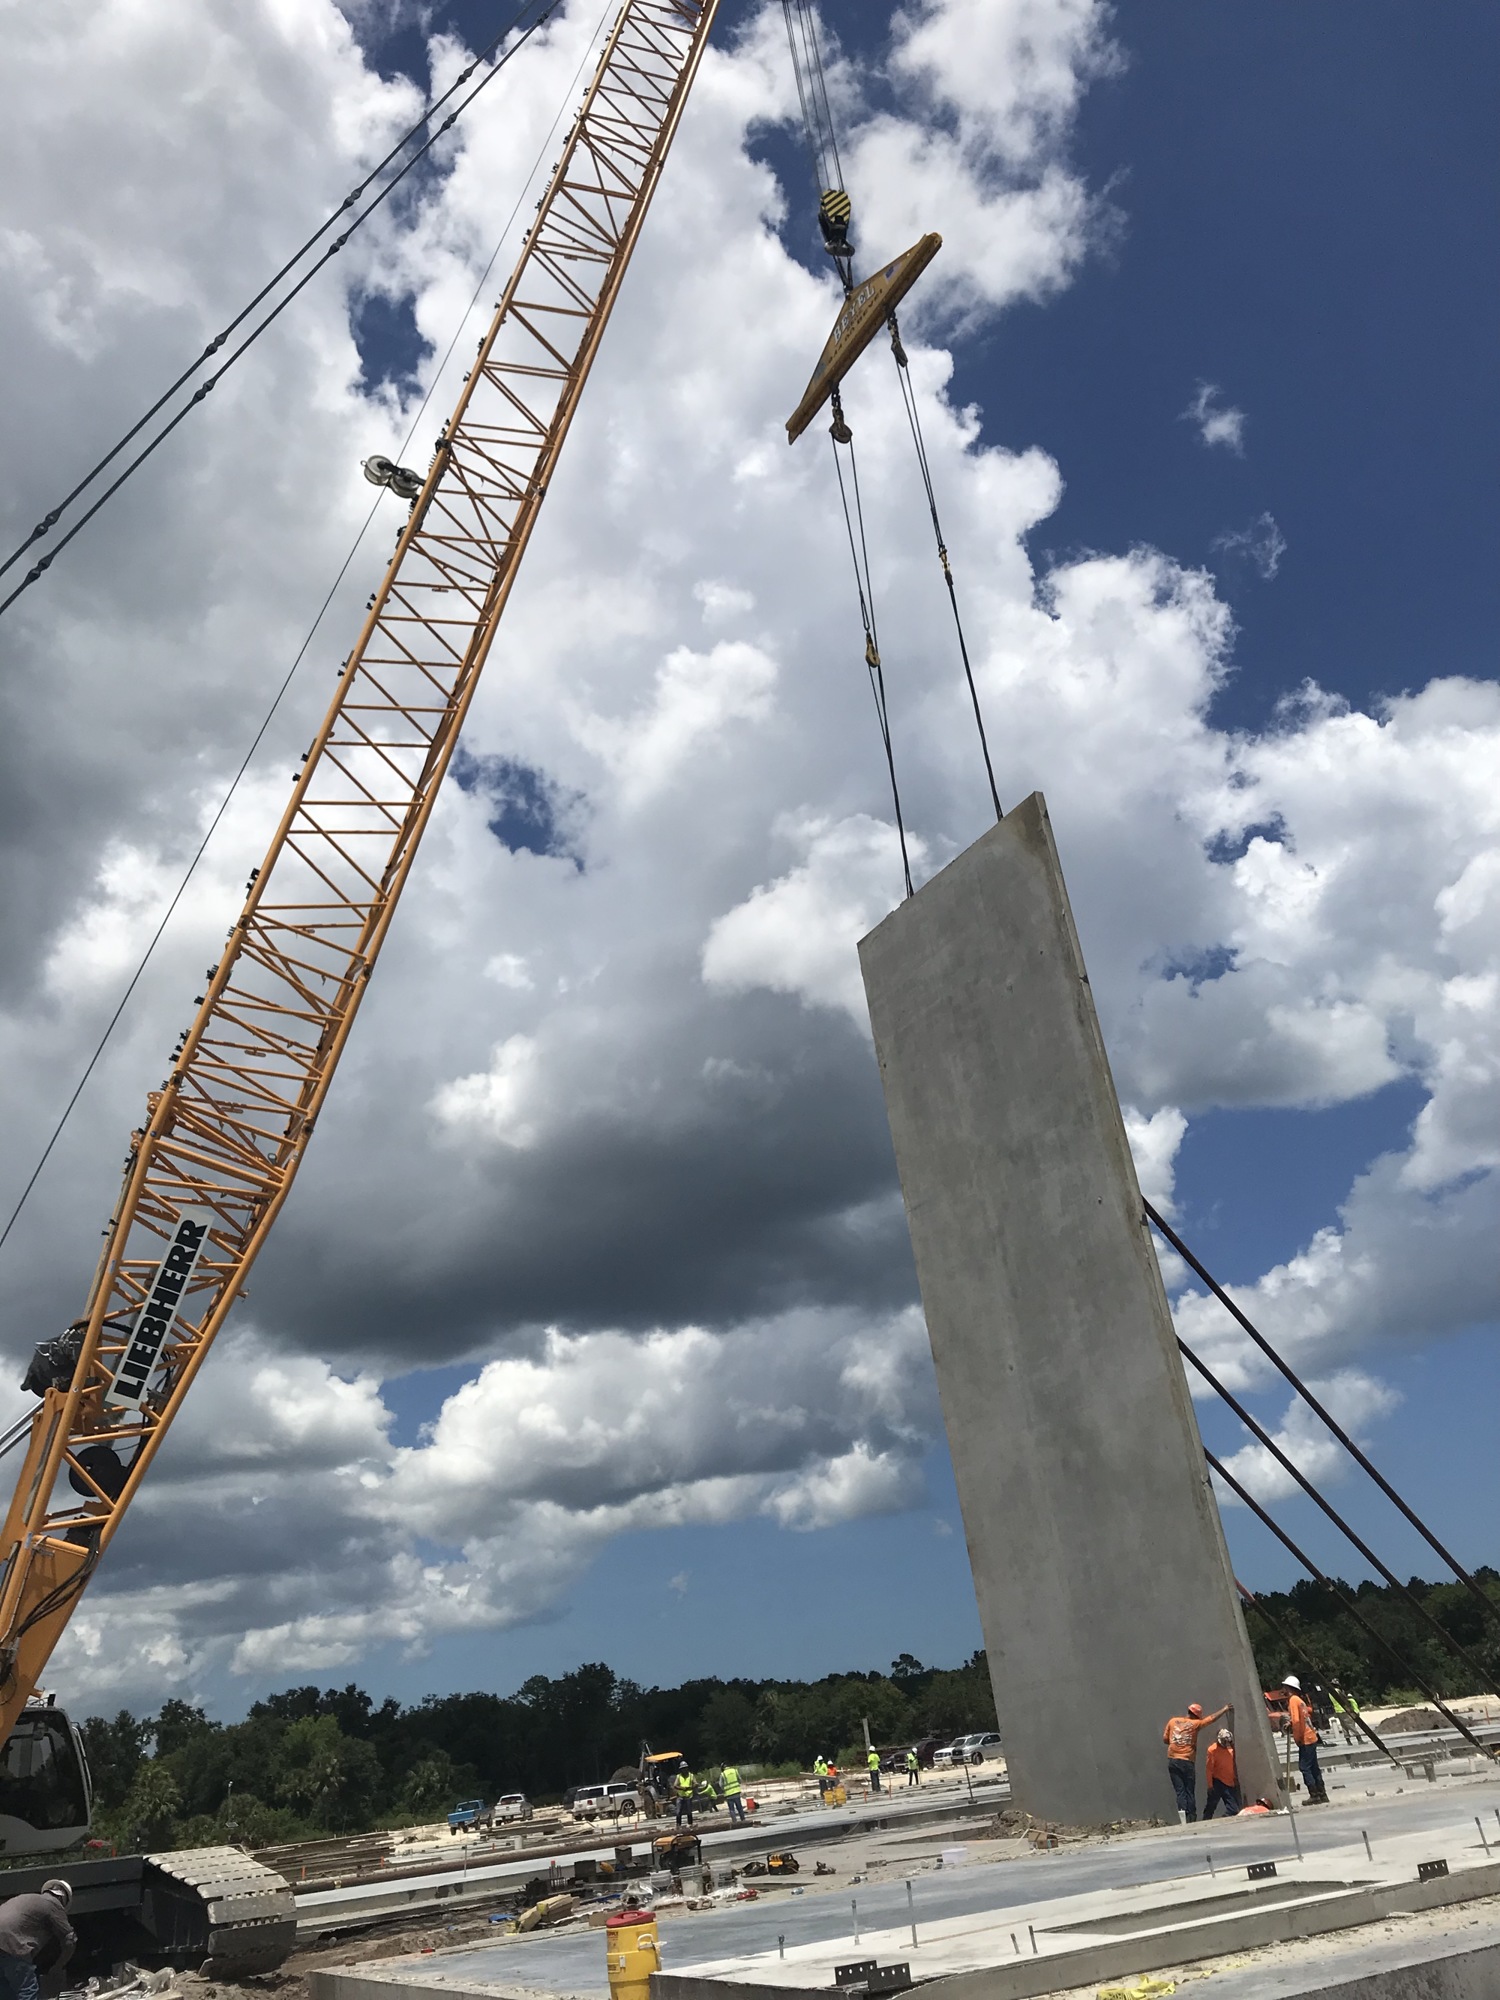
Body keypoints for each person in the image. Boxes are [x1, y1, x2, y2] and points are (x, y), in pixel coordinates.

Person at [0, 1880, 74, 2000]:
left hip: (4, 1942)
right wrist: (58, 1966)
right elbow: (70, 1939)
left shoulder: (28, 1898)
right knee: (27, 1989)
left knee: (5, 1991)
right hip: (11, 1942)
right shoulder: (54, 1904)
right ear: (63, 1900)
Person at [1162, 1701, 1230, 1822]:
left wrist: (1177, 1743)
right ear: (1197, 1715)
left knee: (1180, 1792)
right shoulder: (1196, 1724)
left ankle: (1183, 1820)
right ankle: (1191, 1818)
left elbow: (1165, 1740)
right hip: (1187, 1761)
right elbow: (1211, 1719)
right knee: (1189, 1791)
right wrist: (1224, 1709)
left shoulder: (1173, 1721)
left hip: (1173, 1760)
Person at [1282, 1675, 1328, 1803]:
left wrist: (1298, 1738)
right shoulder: (1299, 1700)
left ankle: (1314, 1795)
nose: (1283, 1689)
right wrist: (1291, 1723)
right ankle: (1322, 1793)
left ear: (1289, 1688)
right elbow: (1302, 1718)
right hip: (1311, 1736)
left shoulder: (1292, 1700)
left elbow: (1297, 1721)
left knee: (1305, 1767)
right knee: (1313, 1767)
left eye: (1285, 1687)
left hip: (1305, 1738)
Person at [1203, 1728, 1241, 1818]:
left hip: (1229, 1782)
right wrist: (1210, 1785)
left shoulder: (1231, 1749)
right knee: (1210, 1807)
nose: (1226, 1744)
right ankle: (1205, 1821)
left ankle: (1222, 1819)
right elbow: (1209, 1769)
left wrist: (1234, 1778)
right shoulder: (1212, 1750)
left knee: (1233, 1809)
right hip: (1217, 1781)